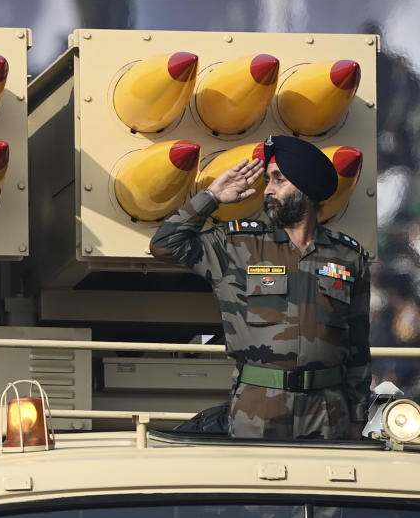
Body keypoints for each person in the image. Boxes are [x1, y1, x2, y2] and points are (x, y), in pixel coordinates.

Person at [150, 135, 371, 440]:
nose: (267, 189)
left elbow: (358, 344)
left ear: (305, 188)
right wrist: (212, 195)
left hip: (327, 409)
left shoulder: (349, 256)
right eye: (268, 180)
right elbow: (164, 244)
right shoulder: (237, 245)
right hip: (258, 405)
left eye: (278, 180)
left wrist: (358, 416)